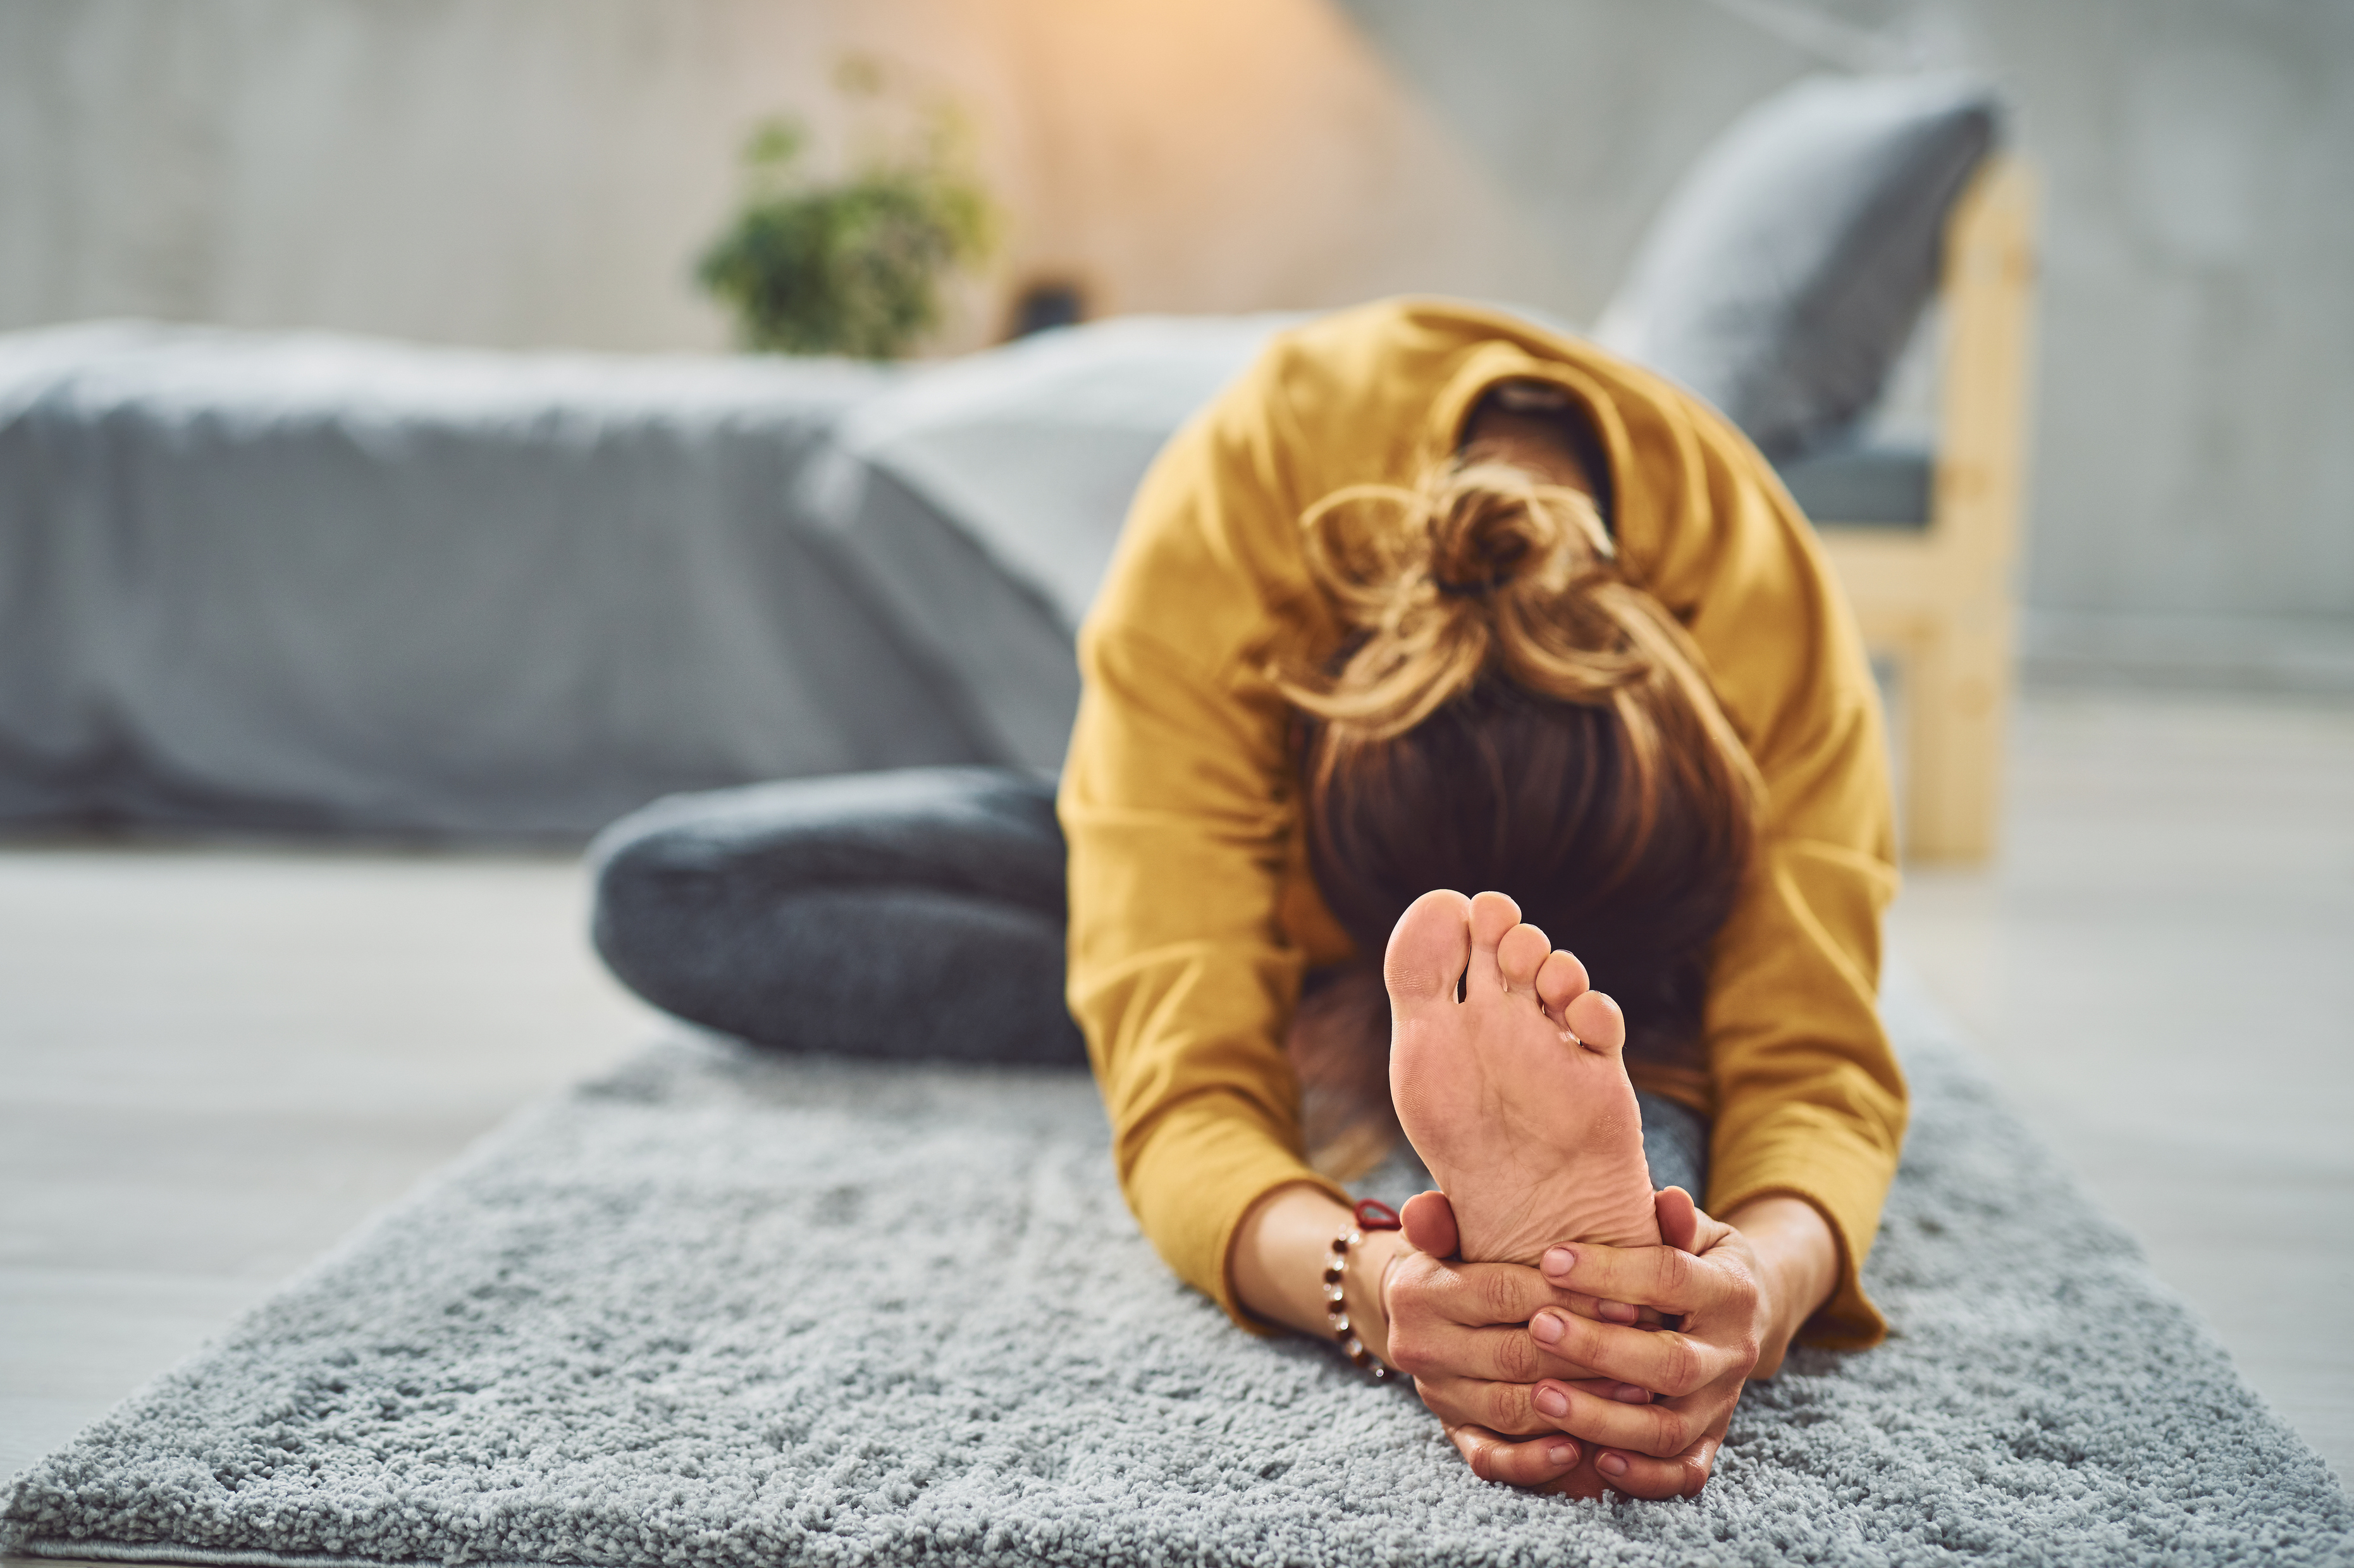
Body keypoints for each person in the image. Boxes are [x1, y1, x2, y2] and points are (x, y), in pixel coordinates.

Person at [591, 297, 1903, 1501]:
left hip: (1623, 982)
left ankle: (1552, 1168)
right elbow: (1188, 1105)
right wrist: (1369, 1282)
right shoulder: (1248, 495)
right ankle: (1269, 1015)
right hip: (1225, 866)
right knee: (672, 886)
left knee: (1650, 1171)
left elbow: (1813, 1061)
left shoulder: (1759, 608)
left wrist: (1753, 1281)